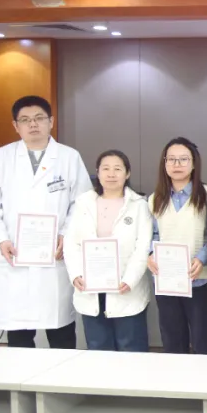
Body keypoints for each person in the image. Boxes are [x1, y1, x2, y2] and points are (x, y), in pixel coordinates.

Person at [0, 95, 92, 349]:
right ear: (15, 126)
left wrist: (66, 234)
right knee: (19, 333)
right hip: (14, 254)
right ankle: (21, 375)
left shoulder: (69, 157)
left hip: (54, 255)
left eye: (39, 118)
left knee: (60, 329)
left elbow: (82, 202)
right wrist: (1, 239)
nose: (33, 124)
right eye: (25, 120)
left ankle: (63, 376)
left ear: (51, 121)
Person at [65, 150, 153, 351]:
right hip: (90, 285)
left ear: (127, 173)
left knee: (131, 347)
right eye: (105, 168)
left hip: (125, 287)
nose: (111, 174)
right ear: (97, 172)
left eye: (117, 169)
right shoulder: (83, 203)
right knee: (98, 347)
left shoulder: (139, 205)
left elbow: (142, 248)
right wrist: (76, 274)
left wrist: (130, 280)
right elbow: (72, 243)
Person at [147, 137, 207, 355]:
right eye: (171, 159)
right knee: (172, 342)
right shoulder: (155, 199)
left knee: (203, 342)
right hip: (167, 281)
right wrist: (150, 254)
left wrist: (202, 258)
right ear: (164, 163)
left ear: (194, 163)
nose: (177, 164)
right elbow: (153, 234)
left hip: (200, 279)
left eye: (183, 159)